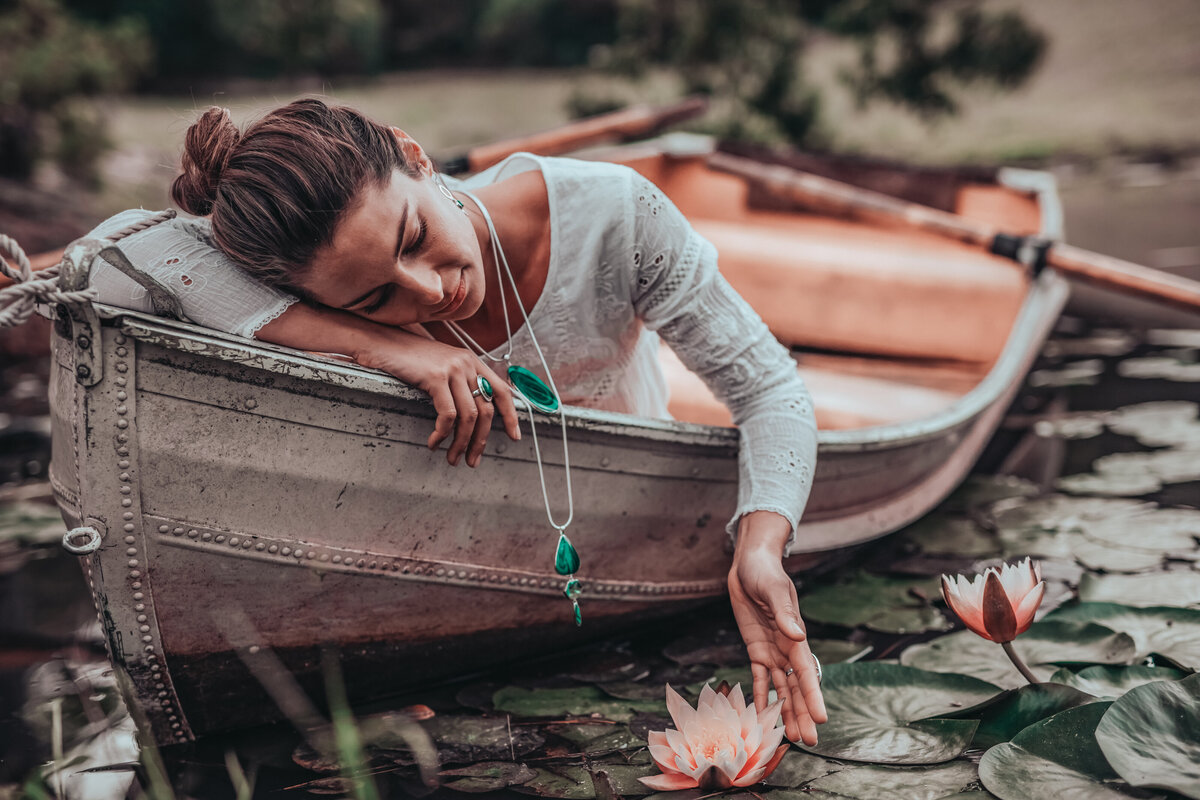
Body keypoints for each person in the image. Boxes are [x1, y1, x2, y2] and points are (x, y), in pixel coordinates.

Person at [87, 98, 826, 744]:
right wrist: (382, 345)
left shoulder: (616, 215)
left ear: (416, 156)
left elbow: (770, 391)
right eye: (374, 297)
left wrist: (760, 545)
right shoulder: (332, 297)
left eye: (412, 237)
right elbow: (110, 260)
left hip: (633, 507)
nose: (431, 290)